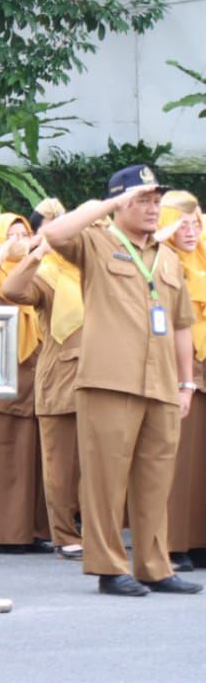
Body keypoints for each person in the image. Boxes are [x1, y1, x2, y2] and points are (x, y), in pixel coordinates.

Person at [41, 167, 199, 596]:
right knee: (106, 479)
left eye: (155, 200)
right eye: (142, 200)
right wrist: (108, 206)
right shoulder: (97, 241)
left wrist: (186, 384)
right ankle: (110, 566)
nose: (152, 208)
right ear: (118, 203)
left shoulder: (166, 258)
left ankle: (153, 564)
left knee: (155, 478)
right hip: (111, 380)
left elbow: (182, 325)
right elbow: (55, 235)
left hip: (162, 382)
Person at [1, 226, 86, 560]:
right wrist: (37, 254)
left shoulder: (95, 275)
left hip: (103, 379)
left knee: (96, 466)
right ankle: (65, 535)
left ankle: (94, 531)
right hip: (61, 381)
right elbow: (12, 289)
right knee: (60, 467)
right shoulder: (48, 276)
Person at [0, 215, 51, 553]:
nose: (19, 240)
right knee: (4, 454)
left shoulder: (37, 274)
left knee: (32, 456)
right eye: (12, 234)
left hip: (34, 374)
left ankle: (32, 529)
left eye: (25, 234)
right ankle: (5, 532)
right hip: (2, 374)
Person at [161, 192, 206, 569]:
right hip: (177, 367)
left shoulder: (202, 260)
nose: (190, 231)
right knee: (177, 456)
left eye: (196, 223)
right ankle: (173, 541)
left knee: (200, 459)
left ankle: (199, 539)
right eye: (182, 223)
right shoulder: (162, 263)